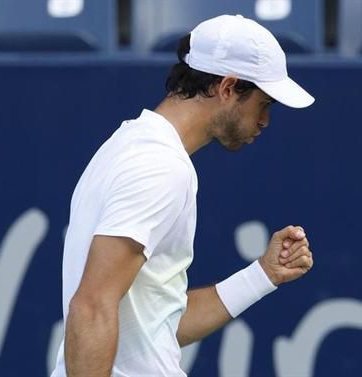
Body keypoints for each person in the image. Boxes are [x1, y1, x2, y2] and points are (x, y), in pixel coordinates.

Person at [51, 14, 315, 377]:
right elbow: (92, 306)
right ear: (227, 87)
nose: (265, 121)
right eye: (264, 103)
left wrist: (263, 275)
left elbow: (155, 323)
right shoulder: (159, 167)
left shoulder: (133, 147)